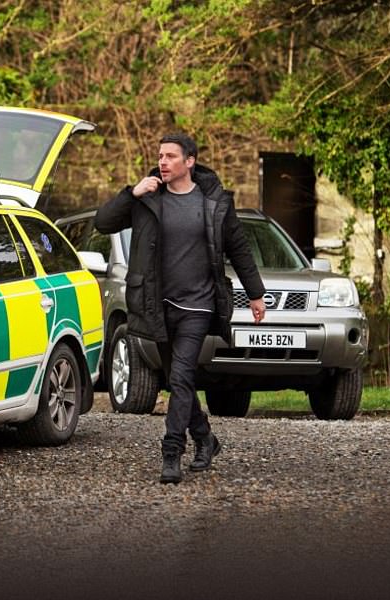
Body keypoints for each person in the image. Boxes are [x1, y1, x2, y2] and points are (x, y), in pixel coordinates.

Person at [95, 134, 267, 484]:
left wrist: (256, 293)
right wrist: (132, 193)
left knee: (181, 376)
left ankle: (172, 451)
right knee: (180, 381)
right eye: (160, 156)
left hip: (198, 306)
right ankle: (205, 438)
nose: (163, 162)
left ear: (190, 161)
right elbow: (103, 223)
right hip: (159, 305)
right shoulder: (147, 200)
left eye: (171, 156)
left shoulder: (214, 202)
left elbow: (238, 247)